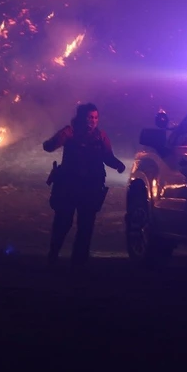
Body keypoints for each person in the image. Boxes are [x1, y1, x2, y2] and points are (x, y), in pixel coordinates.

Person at [43, 102, 126, 267]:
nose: (93, 121)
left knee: (86, 226)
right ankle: (53, 256)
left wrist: (118, 165)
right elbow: (49, 147)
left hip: (91, 187)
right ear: (81, 118)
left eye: (95, 117)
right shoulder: (71, 133)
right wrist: (63, 136)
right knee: (63, 222)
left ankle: (79, 263)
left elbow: (107, 156)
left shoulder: (100, 136)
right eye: (90, 117)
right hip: (69, 185)